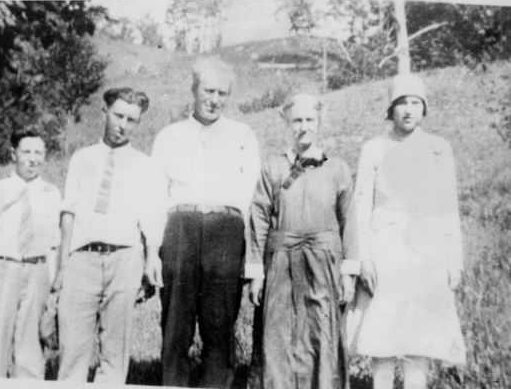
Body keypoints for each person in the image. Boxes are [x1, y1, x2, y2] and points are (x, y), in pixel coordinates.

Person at [345, 74, 466, 389]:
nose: (408, 110)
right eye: (401, 103)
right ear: (390, 109)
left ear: (424, 108)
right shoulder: (374, 149)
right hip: (385, 252)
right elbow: (360, 207)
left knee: (419, 336)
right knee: (383, 335)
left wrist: (454, 260)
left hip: (426, 253)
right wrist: (363, 260)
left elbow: (447, 207)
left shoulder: (438, 148)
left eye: (415, 102)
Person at [151, 57, 261, 388]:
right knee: (176, 327)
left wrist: (244, 251)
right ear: (193, 90)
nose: (214, 99)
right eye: (208, 91)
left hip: (225, 232)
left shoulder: (243, 134)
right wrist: (155, 251)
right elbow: (156, 196)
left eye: (222, 93)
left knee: (219, 326)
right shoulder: (169, 136)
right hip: (180, 230)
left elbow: (251, 194)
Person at [52, 87, 167, 383]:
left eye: (131, 120)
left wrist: (151, 258)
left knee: (115, 355)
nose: (123, 125)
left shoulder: (145, 165)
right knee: (73, 351)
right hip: (82, 260)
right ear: (105, 113)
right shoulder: (82, 159)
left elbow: (152, 217)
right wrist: (62, 267)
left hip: (124, 260)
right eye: (118, 116)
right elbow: (68, 215)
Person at [247, 93, 356, 389]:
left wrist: (348, 275)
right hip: (281, 263)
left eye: (310, 120)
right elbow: (258, 219)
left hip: (324, 265)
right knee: (279, 334)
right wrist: (257, 273)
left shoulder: (338, 170)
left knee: (321, 333)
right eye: (297, 120)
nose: (303, 127)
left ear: (319, 123)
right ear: (287, 123)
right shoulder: (273, 167)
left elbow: (350, 223)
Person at [0, 126, 61, 378]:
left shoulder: (51, 193)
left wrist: (52, 288)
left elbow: (53, 245)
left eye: (38, 152)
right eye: (26, 152)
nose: (32, 158)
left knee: (30, 350)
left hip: (37, 271)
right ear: (13, 154)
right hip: (2, 270)